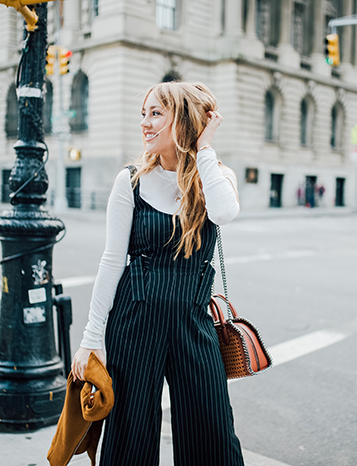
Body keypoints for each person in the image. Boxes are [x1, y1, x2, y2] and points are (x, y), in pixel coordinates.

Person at [70, 82, 244, 466]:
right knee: (130, 435)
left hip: (193, 322)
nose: (145, 124)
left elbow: (224, 213)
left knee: (211, 430)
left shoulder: (214, 175)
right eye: (143, 114)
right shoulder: (130, 181)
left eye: (156, 114)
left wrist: (204, 149)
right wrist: (91, 338)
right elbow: (112, 261)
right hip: (134, 321)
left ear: (182, 119)